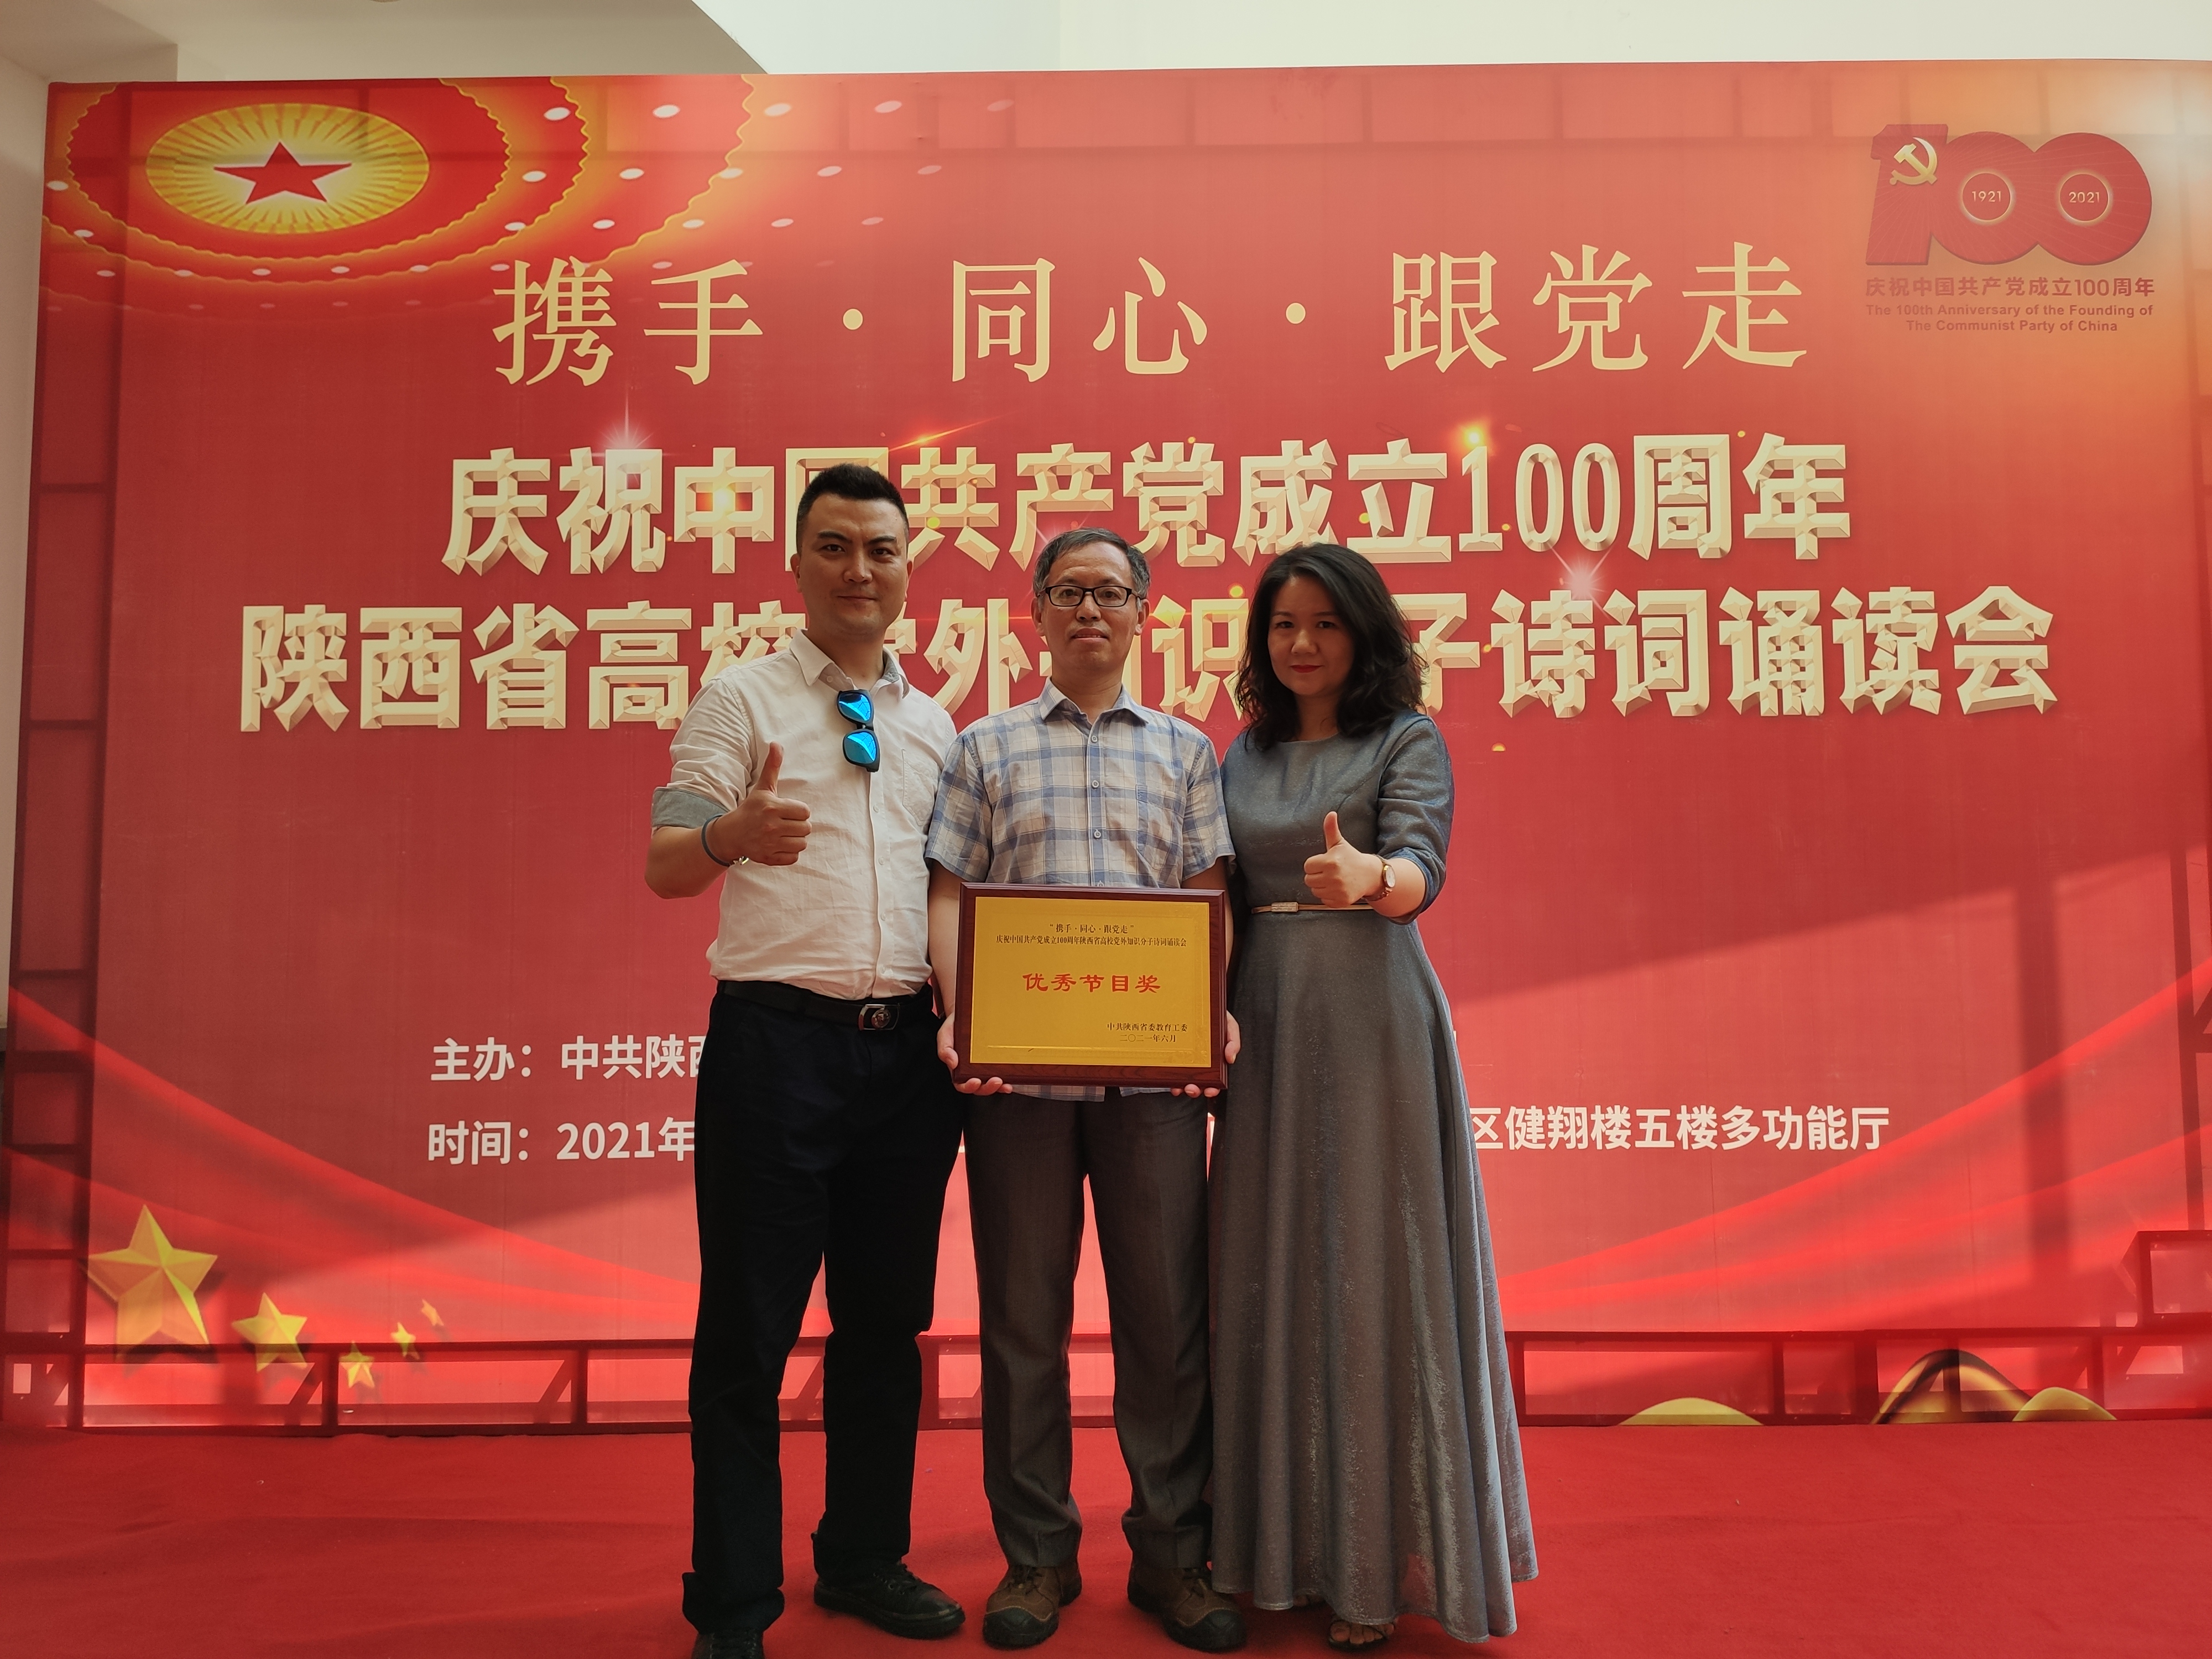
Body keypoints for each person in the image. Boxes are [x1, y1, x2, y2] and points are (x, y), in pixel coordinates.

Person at [645, 464, 967, 1659]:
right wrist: (730, 835)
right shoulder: (740, 700)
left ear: (907, 568)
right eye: (834, 547)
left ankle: (863, 1557)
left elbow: (954, 893)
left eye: (880, 550)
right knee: (748, 1337)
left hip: (907, 1058)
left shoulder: (935, 725)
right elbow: (667, 863)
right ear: (796, 563)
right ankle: (733, 1603)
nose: (858, 571)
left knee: (885, 1327)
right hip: (774, 1050)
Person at [1207, 543, 1536, 1651]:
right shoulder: (1242, 753)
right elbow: (1212, 895)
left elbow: (1419, 869)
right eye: (1282, 625)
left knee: (1371, 1269)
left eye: (1325, 624)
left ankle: (1369, 1570)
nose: (1301, 644)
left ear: (1365, 633)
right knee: (1268, 1266)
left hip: (1371, 1021)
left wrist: (1372, 881)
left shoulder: (1405, 738)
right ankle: (1278, 1553)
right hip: (1259, 1021)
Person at [925, 526, 1248, 1653]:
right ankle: (1036, 1558)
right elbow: (953, 894)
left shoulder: (1186, 751)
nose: (1089, 611)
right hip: (1014, 1084)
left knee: (1167, 1327)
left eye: (1110, 593)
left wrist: (1208, 1012)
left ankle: (1173, 1556)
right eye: (1067, 592)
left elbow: (1206, 895)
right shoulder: (984, 745)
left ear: (1143, 613)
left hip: (1151, 1086)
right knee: (1023, 1327)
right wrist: (961, 1014)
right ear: (1037, 613)